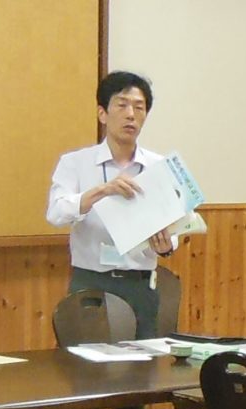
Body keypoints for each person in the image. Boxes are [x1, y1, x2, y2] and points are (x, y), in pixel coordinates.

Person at [46, 71, 180, 340]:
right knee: (85, 363)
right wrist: (101, 191)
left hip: (140, 284)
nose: (131, 115)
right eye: (122, 105)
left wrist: (167, 245)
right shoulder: (75, 163)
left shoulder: (159, 166)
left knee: (145, 362)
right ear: (102, 114)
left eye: (139, 108)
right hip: (92, 283)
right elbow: (56, 213)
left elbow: (174, 227)